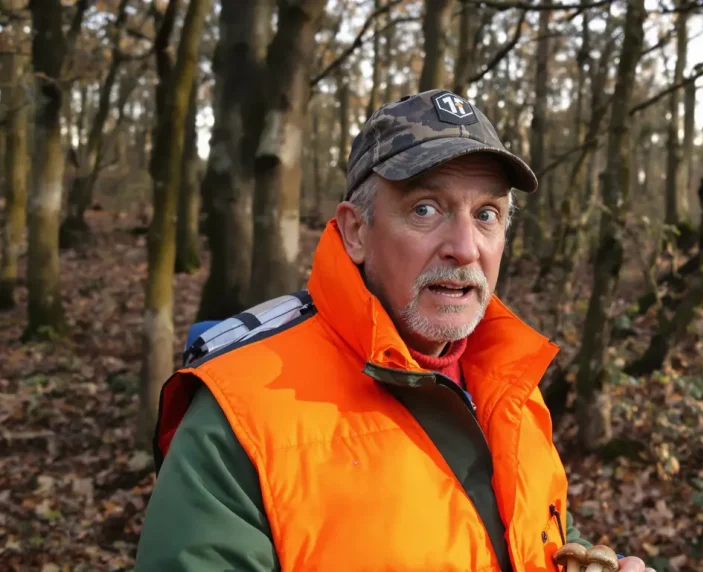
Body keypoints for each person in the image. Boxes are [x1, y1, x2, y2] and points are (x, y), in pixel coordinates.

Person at [136, 89, 653, 572]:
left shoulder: (510, 380)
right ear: (356, 232)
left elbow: (528, 536)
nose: (465, 247)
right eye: (426, 209)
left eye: (487, 214)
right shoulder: (238, 415)